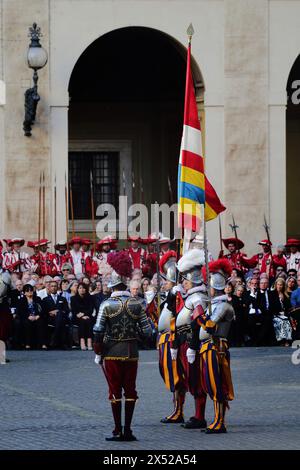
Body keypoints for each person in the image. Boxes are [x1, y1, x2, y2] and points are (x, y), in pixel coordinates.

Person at [93, 250, 152, 441]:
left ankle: (117, 429)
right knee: (131, 391)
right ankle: (128, 430)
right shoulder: (136, 304)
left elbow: (98, 331)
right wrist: (135, 337)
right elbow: (148, 332)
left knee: (115, 392)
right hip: (132, 353)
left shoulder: (107, 304)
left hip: (111, 352)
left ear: (112, 284)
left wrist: (98, 352)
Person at [170, 249, 208, 429]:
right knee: (188, 378)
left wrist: (192, 346)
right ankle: (195, 414)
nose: (183, 283)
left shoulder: (198, 298)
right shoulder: (188, 296)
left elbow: (198, 323)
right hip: (184, 343)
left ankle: (199, 415)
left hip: (194, 344)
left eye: (185, 280)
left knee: (196, 379)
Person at [196, 258, 235, 433]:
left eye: (209, 287)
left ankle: (220, 422)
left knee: (216, 384)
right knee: (209, 384)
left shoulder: (224, 306)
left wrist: (199, 315)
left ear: (215, 287)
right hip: (208, 347)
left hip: (216, 347)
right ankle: (216, 420)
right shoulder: (214, 304)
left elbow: (210, 326)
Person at [17, 284, 47, 350]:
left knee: (41, 322)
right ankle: (27, 344)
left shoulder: (38, 299)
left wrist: (38, 316)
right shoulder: (21, 300)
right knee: (26, 323)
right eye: (28, 291)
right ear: (24, 293)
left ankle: (43, 344)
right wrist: (28, 316)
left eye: (31, 290)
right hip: (27, 317)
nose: (30, 292)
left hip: (37, 316)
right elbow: (20, 311)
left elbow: (43, 309)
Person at [42, 280, 70, 349]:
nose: (53, 288)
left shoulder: (62, 299)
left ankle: (54, 340)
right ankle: (60, 342)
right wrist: (50, 313)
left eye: (55, 286)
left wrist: (57, 311)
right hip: (50, 318)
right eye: (52, 286)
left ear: (57, 287)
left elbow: (67, 310)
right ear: (49, 288)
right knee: (59, 319)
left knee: (59, 315)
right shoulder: (45, 299)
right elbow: (43, 311)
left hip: (61, 318)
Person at [71, 282, 96, 351]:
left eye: (83, 288)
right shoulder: (73, 298)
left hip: (88, 316)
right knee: (82, 321)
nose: (82, 289)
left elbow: (91, 309)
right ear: (78, 289)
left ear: (86, 289)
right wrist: (81, 316)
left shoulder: (90, 298)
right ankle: (82, 342)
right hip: (77, 317)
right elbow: (73, 311)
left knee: (87, 320)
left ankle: (89, 341)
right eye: (80, 288)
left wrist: (84, 314)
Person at [269, 278, 293, 346]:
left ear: (283, 286)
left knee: (287, 321)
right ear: (276, 285)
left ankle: (287, 340)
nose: (279, 286)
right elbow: (272, 306)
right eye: (278, 284)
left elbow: (288, 306)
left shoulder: (286, 294)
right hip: (275, 314)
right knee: (280, 322)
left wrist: (283, 300)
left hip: (285, 314)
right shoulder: (272, 294)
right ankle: (281, 340)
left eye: (281, 285)